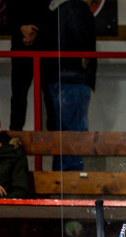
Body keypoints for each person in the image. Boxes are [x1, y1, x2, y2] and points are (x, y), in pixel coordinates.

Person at [43, 0, 96, 172]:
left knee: (62, 133)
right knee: (74, 134)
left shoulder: (54, 9)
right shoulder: (77, 7)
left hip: (57, 77)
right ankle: (71, 180)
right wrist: (85, 53)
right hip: (73, 78)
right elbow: (80, 31)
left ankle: (61, 181)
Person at [8, 0, 52, 131]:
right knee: (18, 97)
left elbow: (52, 13)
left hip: (45, 48)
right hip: (20, 47)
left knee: (50, 97)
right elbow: (7, 12)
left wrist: (33, 34)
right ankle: (14, 142)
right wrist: (21, 29)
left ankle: (54, 142)